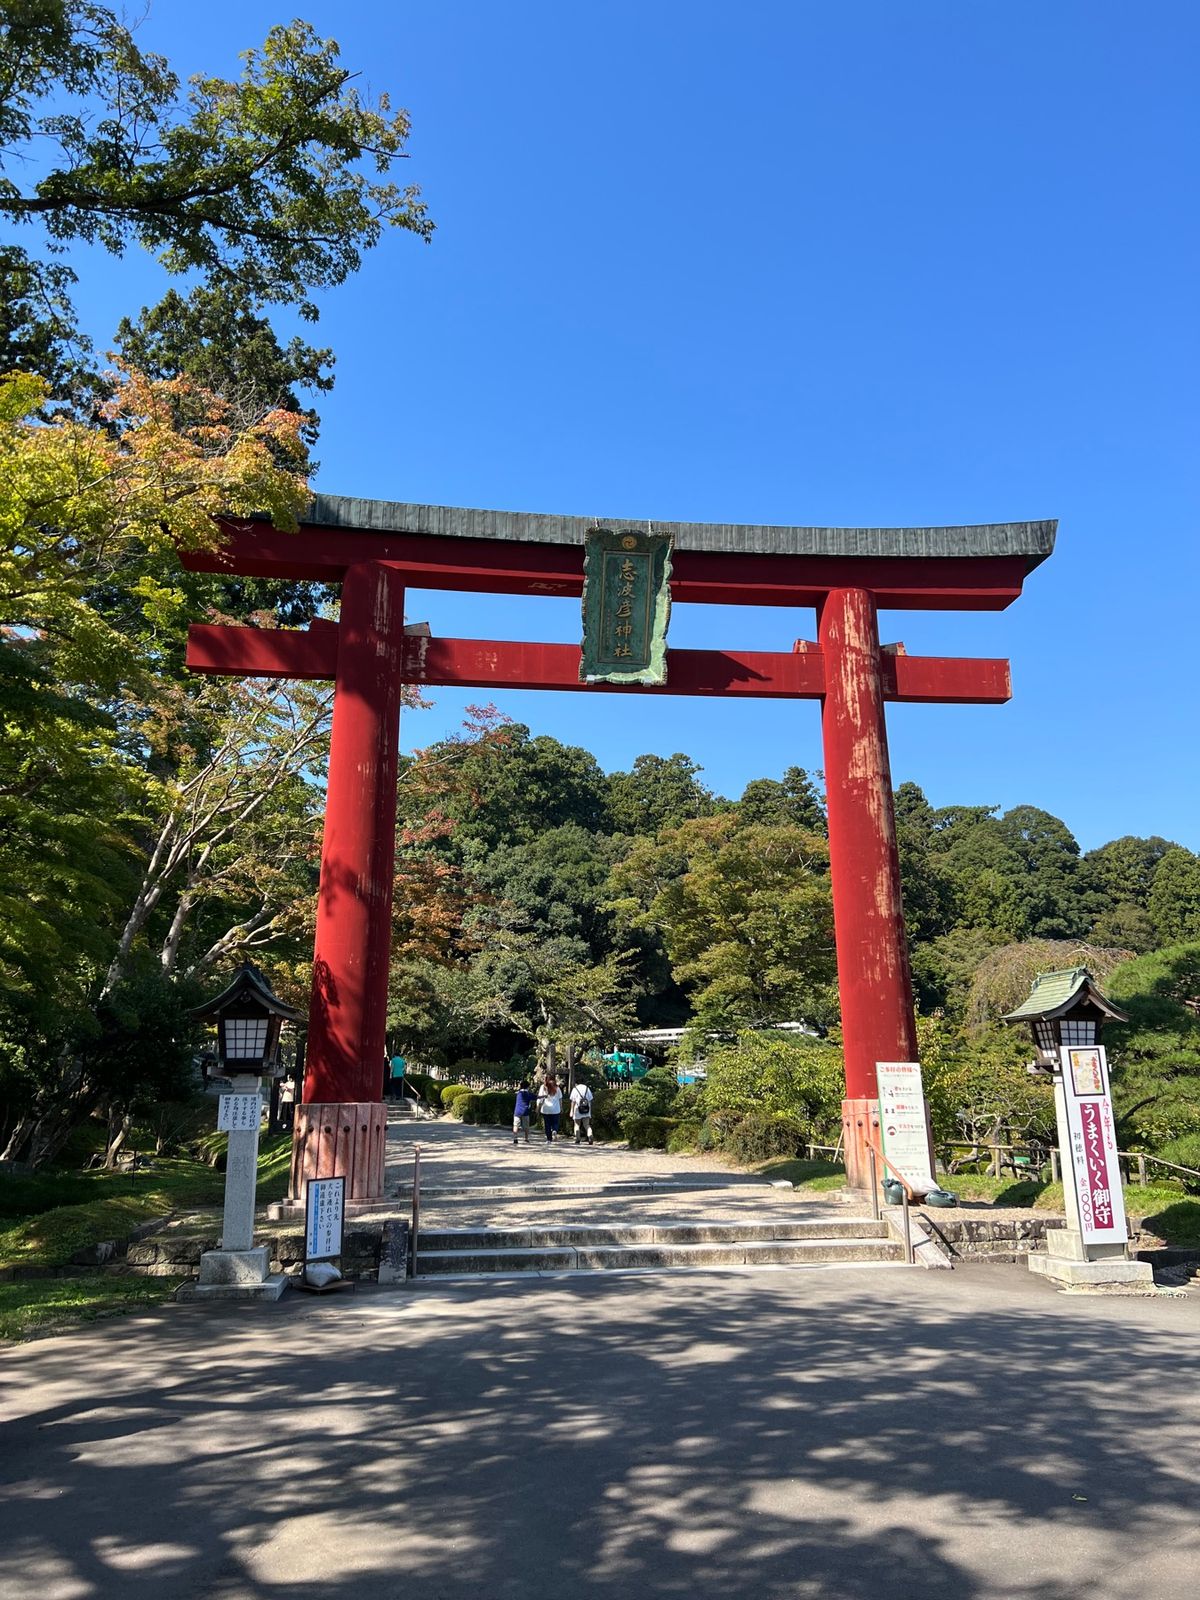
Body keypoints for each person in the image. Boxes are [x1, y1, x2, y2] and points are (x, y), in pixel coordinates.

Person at [537, 1074, 562, 1142]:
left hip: (546, 1109)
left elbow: (540, 1099)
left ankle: (549, 1139)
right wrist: (561, 1107)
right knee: (555, 1123)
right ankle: (554, 1130)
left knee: (547, 1124)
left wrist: (538, 1107)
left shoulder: (543, 1087)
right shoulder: (557, 1088)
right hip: (556, 1109)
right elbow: (560, 1099)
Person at [569, 1079, 595, 1144]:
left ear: (576, 1083)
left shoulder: (575, 1089)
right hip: (586, 1109)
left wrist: (571, 1110)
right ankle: (590, 1135)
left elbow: (573, 1101)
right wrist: (590, 1110)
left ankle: (578, 1138)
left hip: (577, 1109)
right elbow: (590, 1100)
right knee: (587, 1125)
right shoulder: (587, 1088)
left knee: (577, 1124)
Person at [512, 1080, 537, 1145]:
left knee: (515, 1125)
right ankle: (526, 1138)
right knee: (526, 1126)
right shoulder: (528, 1094)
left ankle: (515, 1138)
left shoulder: (518, 1093)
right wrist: (544, 1096)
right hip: (525, 1111)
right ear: (527, 1087)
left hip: (517, 1111)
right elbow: (536, 1097)